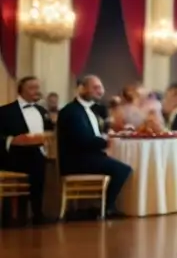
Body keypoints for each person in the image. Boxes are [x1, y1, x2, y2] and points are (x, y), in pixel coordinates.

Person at [56, 75, 133, 217]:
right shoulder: (71, 111)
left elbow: (97, 132)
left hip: (89, 156)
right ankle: (106, 208)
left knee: (121, 166)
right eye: (95, 87)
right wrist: (105, 142)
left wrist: (114, 133)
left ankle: (102, 206)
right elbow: (80, 140)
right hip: (76, 160)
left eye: (101, 87)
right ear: (81, 89)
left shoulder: (94, 110)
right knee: (123, 170)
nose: (100, 91)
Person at [0, 76, 53, 223]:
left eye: (38, 87)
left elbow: (49, 132)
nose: (37, 91)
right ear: (21, 90)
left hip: (40, 154)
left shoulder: (42, 111)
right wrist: (13, 140)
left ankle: (37, 214)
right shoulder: (5, 111)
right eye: (32, 88)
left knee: (40, 172)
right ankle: (12, 216)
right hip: (14, 156)